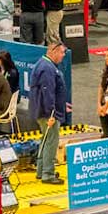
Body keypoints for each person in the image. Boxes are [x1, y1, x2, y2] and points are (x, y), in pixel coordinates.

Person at [29, 41, 67, 185]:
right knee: (51, 142)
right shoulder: (47, 68)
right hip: (47, 113)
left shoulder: (43, 64)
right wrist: (52, 113)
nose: (63, 55)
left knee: (45, 140)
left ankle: (41, 170)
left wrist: (63, 104)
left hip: (43, 110)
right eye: (62, 52)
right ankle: (48, 174)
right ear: (53, 51)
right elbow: (48, 92)